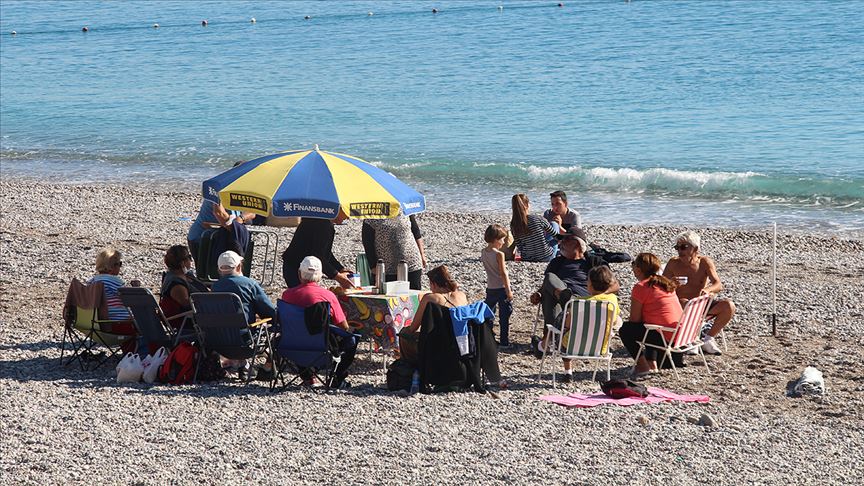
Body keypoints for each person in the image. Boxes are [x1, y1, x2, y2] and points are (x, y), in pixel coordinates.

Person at [530, 226, 617, 355]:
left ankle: (547, 339)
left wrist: (597, 295)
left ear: (576, 243)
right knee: (549, 282)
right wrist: (539, 293)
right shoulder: (557, 262)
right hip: (563, 296)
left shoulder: (594, 261)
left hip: (585, 300)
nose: (561, 243)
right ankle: (565, 301)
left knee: (551, 289)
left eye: (565, 240)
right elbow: (548, 283)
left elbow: (615, 285)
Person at [280, 256, 358, 389]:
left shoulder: (287, 295)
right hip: (321, 350)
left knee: (299, 331)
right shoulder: (328, 296)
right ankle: (338, 378)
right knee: (352, 339)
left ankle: (308, 376)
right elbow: (343, 326)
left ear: (299, 274)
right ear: (320, 276)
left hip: (290, 348)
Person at [662, 230, 736, 355]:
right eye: (677, 247)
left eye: (684, 247)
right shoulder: (673, 263)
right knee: (685, 303)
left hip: (701, 304)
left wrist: (708, 290)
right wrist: (672, 283)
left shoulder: (704, 262)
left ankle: (708, 338)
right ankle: (691, 338)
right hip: (682, 306)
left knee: (729, 306)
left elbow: (718, 284)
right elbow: (661, 286)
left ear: (695, 248)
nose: (680, 251)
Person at [212, 250, 276, 380]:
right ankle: (266, 368)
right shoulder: (249, 284)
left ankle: (242, 365)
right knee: (276, 325)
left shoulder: (215, 287)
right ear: (239, 266)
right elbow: (268, 311)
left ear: (219, 269)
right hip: (244, 342)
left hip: (218, 342)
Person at [618, 253, 684, 378]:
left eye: (634, 265)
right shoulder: (665, 283)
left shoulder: (641, 287)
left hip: (666, 338)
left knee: (626, 329)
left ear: (638, 269)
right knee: (648, 324)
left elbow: (635, 320)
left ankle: (643, 366)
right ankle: (651, 362)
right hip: (680, 336)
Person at [556, 266, 621, 382]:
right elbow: (615, 321)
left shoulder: (578, 303)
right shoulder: (612, 300)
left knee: (563, 324)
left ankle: (568, 372)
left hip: (571, 346)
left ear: (590, 285)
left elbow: (567, 325)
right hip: (600, 347)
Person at [282, 215, 354, 289]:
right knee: (304, 296)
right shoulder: (323, 224)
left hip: (298, 266)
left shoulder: (323, 221)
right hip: (297, 268)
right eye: (345, 213)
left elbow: (325, 252)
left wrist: (340, 269)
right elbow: (318, 256)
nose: (347, 217)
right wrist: (338, 277)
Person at [87, 248, 138, 352]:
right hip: (117, 324)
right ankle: (134, 353)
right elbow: (131, 299)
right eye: (119, 264)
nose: (120, 267)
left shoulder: (92, 282)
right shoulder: (114, 281)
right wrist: (136, 288)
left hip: (96, 325)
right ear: (111, 267)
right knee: (143, 322)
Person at [187, 198, 255, 271]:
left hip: (223, 236)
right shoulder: (218, 188)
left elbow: (253, 211)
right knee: (207, 273)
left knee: (230, 269)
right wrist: (236, 227)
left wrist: (241, 218)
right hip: (203, 238)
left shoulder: (241, 189)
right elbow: (219, 213)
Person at [362, 214, 425, 290]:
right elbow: (367, 243)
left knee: (413, 297)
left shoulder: (404, 210)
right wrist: (374, 268)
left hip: (412, 264)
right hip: (386, 269)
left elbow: (416, 232)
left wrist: (422, 255)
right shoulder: (372, 216)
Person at [405, 265, 468, 334]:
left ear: (434, 284)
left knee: (405, 333)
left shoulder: (430, 298)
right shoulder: (462, 295)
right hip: (462, 337)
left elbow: (414, 327)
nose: (431, 289)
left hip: (439, 341)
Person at [159, 245, 209, 326]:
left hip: (205, 311)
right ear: (182, 262)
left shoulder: (186, 275)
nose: (191, 260)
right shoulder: (176, 284)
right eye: (189, 257)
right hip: (192, 320)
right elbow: (188, 305)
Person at [481, 224, 513, 347]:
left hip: (490, 287)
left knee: (489, 314)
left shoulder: (483, 252)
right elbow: (503, 274)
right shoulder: (499, 254)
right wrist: (508, 290)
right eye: (502, 239)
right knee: (504, 316)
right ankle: (504, 341)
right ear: (495, 240)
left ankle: (489, 339)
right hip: (501, 288)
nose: (503, 242)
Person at [510, 193, 558, 262]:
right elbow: (555, 235)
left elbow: (519, 245)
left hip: (527, 258)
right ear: (527, 205)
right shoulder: (537, 218)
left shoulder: (513, 224)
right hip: (546, 257)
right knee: (554, 224)